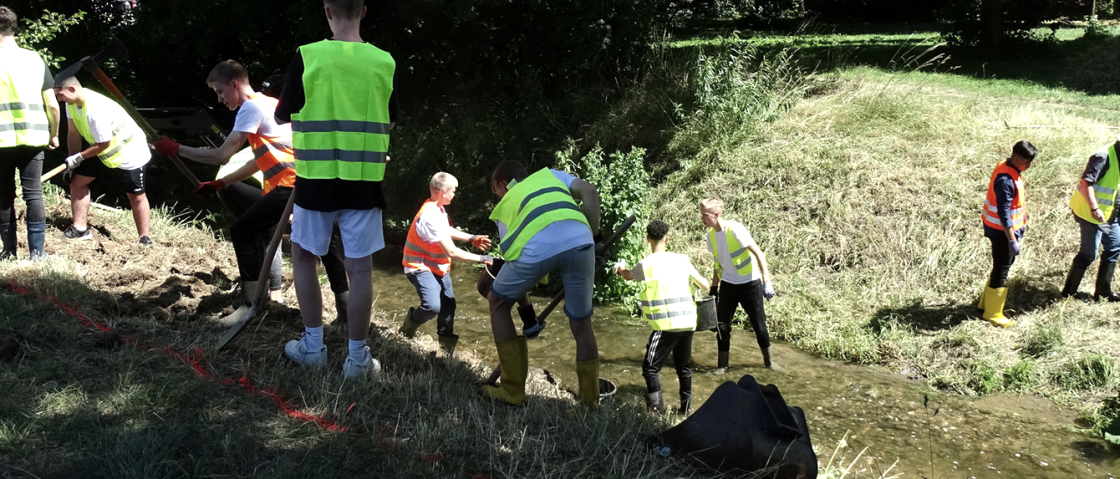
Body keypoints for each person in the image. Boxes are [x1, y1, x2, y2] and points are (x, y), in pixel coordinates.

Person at [152, 60, 350, 313]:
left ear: (235, 84)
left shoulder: (250, 108)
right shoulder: (271, 103)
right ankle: (345, 309)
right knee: (327, 244)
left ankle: (251, 306)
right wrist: (221, 182)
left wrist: (176, 149)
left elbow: (221, 155)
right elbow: (261, 160)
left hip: (290, 185)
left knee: (243, 231)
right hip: (309, 181)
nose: (220, 99)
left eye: (220, 91)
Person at [274, 0, 397, 379]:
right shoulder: (384, 62)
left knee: (304, 255)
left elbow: (282, 113)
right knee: (360, 269)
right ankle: (358, 358)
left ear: (327, 10)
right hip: (364, 181)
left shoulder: (309, 56)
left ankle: (313, 346)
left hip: (316, 179)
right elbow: (390, 119)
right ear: (364, 10)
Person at [483, 160, 602, 407]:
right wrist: (594, 236)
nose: (499, 197)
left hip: (536, 251)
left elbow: (514, 264)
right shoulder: (551, 176)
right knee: (581, 323)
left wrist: (528, 315)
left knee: (497, 303)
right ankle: (590, 404)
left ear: (501, 184)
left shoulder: (507, 205)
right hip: (581, 242)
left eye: (497, 192)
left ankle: (512, 392)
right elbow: (590, 192)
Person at [613, 220, 709, 415]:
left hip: (666, 324)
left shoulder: (646, 264)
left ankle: (656, 413)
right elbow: (705, 285)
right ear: (667, 238)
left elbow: (627, 275)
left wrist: (619, 268)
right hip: (688, 322)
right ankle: (686, 410)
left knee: (650, 369)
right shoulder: (682, 259)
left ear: (647, 239)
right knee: (683, 368)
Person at [398, 172, 494, 355]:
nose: (455, 194)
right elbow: (451, 251)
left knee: (448, 305)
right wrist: (482, 259)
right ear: (443, 192)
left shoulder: (437, 208)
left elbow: (445, 230)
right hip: (419, 267)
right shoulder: (430, 215)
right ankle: (408, 328)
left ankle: (446, 350)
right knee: (432, 306)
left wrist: (470, 238)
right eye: (453, 191)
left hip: (438, 267)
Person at [54, 76, 151, 245]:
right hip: (100, 151)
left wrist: (80, 156)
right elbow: (73, 134)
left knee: (135, 195)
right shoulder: (71, 104)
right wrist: (72, 161)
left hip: (129, 152)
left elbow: (104, 142)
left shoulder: (94, 109)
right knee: (77, 181)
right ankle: (79, 229)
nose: (59, 99)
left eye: (60, 95)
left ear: (72, 89)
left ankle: (144, 238)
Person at [0, 5, 60, 260]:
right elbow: (53, 104)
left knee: (3, 195)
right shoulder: (35, 58)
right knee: (34, 193)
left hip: (1, 140)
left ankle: (8, 251)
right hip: (34, 137)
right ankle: (38, 253)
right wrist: (54, 134)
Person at [700, 198, 777, 369]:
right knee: (722, 327)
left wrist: (767, 281)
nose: (701, 218)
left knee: (759, 326)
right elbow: (717, 263)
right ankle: (722, 367)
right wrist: (714, 288)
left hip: (750, 283)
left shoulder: (735, 230)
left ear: (716, 214)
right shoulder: (710, 235)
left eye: (704, 215)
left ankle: (769, 363)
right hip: (728, 284)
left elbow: (759, 254)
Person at [977, 141, 1036, 326]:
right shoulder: (1006, 180)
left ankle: (985, 303)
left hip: (1001, 230)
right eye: (1027, 162)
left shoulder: (1007, 165)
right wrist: (1012, 239)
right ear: (1016, 158)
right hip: (1002, 232)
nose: (1029, 166)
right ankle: (993, 313)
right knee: (1003, 267)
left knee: (1000, 265)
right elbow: (1003, 212)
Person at [1060, 135, 1120, 302]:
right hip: (1090, 213)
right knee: (1088, 254)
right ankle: (1068, 292)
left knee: (1114, 247)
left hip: (1109, 214)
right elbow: (1087, 182)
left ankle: (1103, 293)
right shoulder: (1104, 156)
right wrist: (1094, 207)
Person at [476, 259, 545, 339]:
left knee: (497, 304)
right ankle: (530, 322)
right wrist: (529, 319)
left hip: (537, 257)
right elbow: (516, 280)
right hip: (553, 255)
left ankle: (510, 351)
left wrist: (481, 257)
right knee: (514, 278)